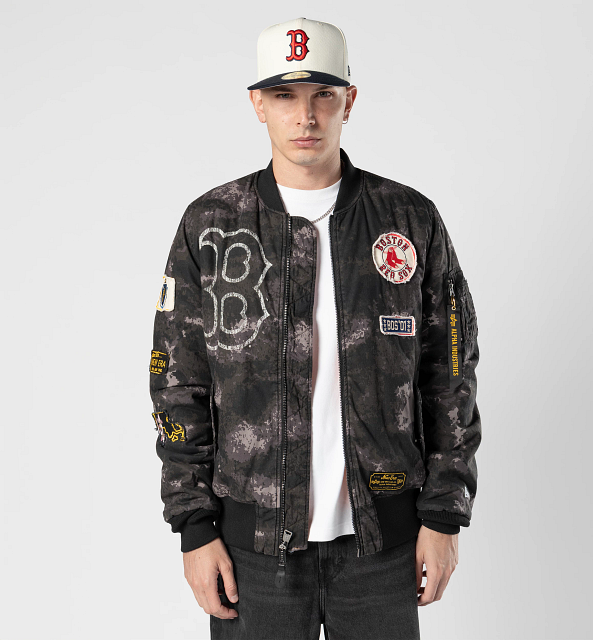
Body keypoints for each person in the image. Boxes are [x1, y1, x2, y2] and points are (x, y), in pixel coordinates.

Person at [149, 16, 481, 640]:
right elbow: (177, 383)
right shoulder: (211, 226)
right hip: (251, 552)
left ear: (349, 101)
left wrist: (443, 516)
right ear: (258, 105)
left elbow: (450, 375)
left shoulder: (409, 220)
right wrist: (194, 526)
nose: (305, 116)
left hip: (383, 546)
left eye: (323, 94)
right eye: (284, 95)